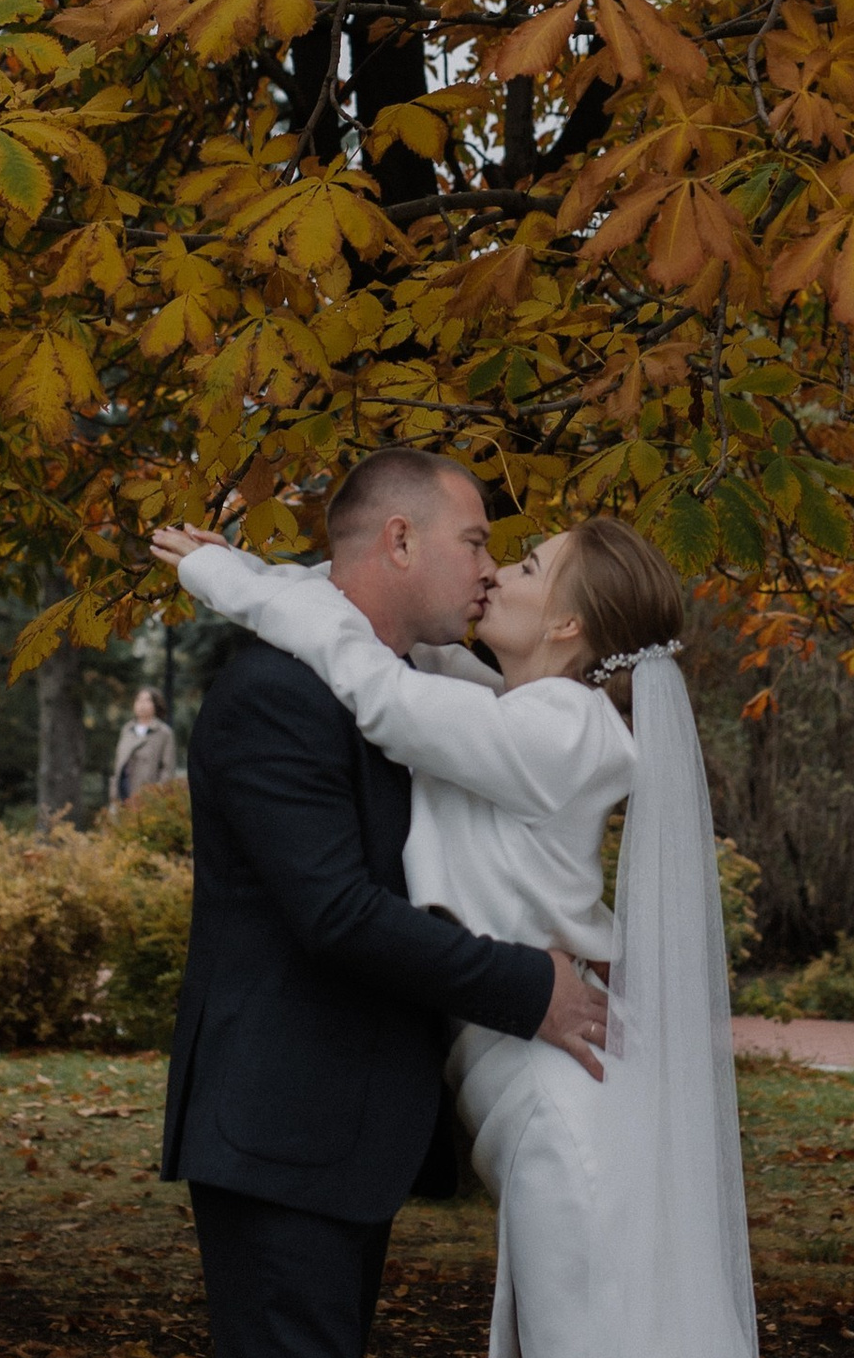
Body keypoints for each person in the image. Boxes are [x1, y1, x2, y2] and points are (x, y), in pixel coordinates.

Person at [152, 500, 756, 1358]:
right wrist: (250, 567)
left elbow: (382, 687)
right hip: (509, 1065)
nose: (494, 570)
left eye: (525, 566)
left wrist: (215, 576)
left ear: (568, 623)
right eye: (482, 547)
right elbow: (365, 621)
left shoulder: (564, 728)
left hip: (550, 1080)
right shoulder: (507, 705)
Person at [112, 685, 179, 808]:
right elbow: (118, 763)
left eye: (147, 700)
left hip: (149, 796)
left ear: (156, 705)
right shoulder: (127, 730)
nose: (141, 704)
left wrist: (158, 793)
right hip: (123, 793)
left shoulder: (164, 733)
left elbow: (168, 769)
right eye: (138, 700)